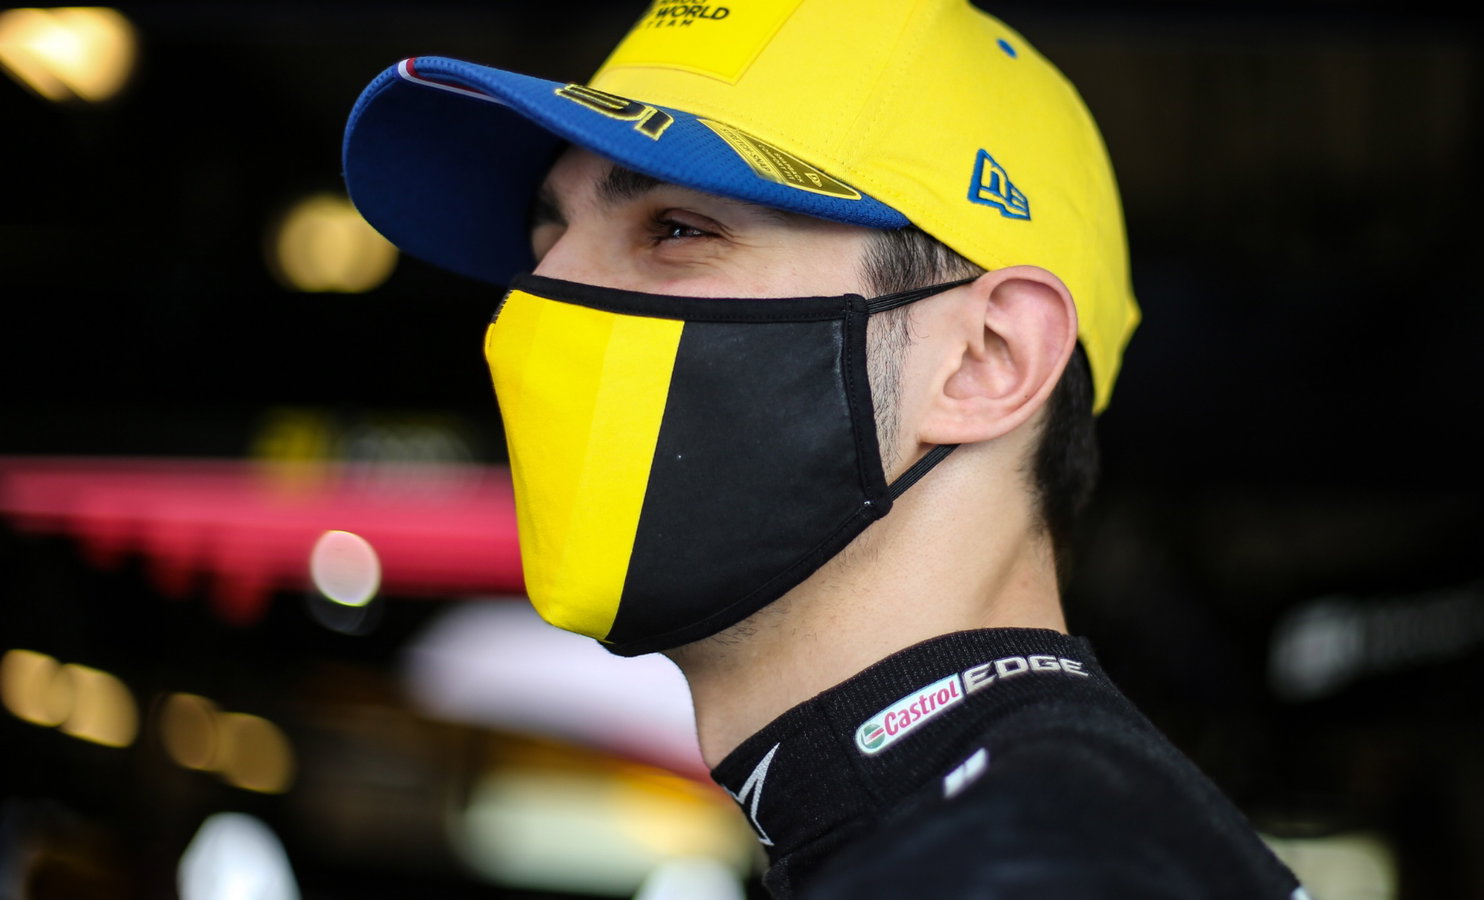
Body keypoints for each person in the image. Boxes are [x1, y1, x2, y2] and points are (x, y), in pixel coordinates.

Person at [343, 1, 1307, 896]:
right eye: (541, 239)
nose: (538, 299)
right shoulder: (1005, 822)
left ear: (987, 359)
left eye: (678, 229)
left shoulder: (1029, 862)